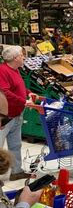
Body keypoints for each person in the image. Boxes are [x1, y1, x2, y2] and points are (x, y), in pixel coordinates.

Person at [0, 46, 38, 181]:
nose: (24, 57)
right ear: (15, 58)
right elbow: (5, 92)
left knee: (15, 145)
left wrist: (28, 92)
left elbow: (19, 86)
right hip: (4, 117)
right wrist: (23, 101)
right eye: (22, 55)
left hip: (16, 114)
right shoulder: (2, 70)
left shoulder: (15, 70)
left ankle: (16, 171)